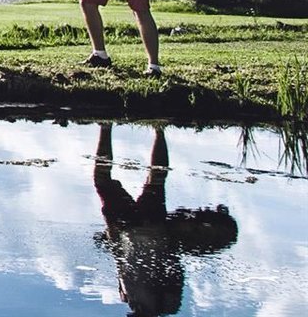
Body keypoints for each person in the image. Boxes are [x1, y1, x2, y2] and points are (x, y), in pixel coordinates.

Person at [92, 123, 238, 315]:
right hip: (150, 231)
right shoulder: (164, 305)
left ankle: (118, 127)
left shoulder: (130, 299)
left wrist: (113, 234)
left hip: (133, 230)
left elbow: (122, 263)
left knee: (149, 179)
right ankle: (150, 129)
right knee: (153, 179)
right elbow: (172, 268)